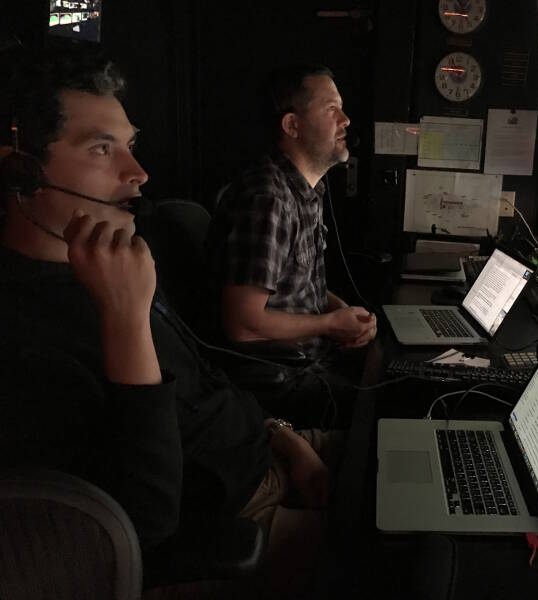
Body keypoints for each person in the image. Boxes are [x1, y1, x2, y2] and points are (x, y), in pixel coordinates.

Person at [0, 46, 336, 599]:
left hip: (273, 451)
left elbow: (207, 380)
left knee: (426, 460)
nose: (138, 172)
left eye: (129, 146)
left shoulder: (114, 257)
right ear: (20, 171)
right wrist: (126, 321)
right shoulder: (24, 330)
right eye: (101, 148)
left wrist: (286, 440)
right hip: (239, 523)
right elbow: (137, 530)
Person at [207, 64, 377, 357]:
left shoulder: (304, 192)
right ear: (292, 126)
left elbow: (295, 289)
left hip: (313, 364)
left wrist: (345, 314)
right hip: (284, 383)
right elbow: (243, 324)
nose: (346, 120)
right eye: (331, 109)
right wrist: (330, 324)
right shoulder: (266, 199)